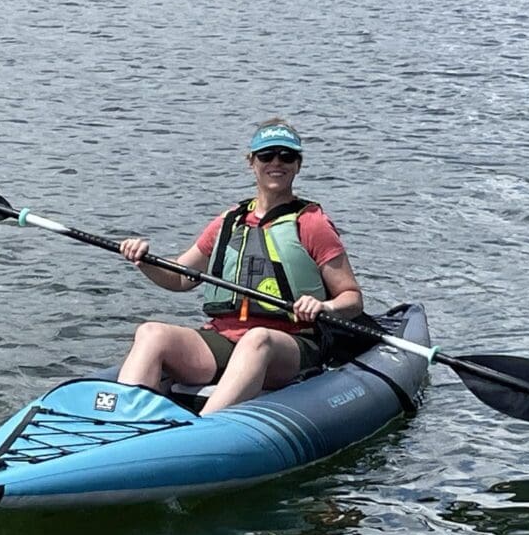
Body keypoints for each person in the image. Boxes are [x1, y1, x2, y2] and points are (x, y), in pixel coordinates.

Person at [117, 118, 363, 415]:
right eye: (266, 155)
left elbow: (352, 298)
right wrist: (143, 261)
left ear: (298, 164)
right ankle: (120, 421)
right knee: (151, 333)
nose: (276, 163)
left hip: (290, 344)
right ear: (251, 162)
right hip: (224, 338)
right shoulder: (229, 221)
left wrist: (324, 306)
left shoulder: (312, 224)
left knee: (257, 339)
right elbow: (180, 278)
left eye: (287, 156)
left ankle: (202, 428)